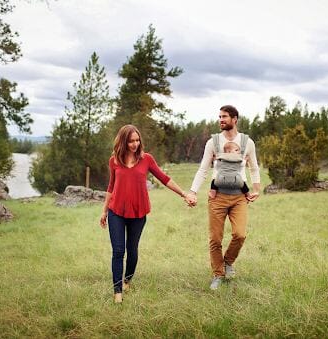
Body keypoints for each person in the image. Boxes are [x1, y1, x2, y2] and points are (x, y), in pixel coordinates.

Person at [100, 125, 190, 303]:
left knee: (132, 250)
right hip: (116, 211)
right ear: (123, 141)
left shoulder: (146, 159)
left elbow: (164, 179)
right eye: (131, 141)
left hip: (138, 213)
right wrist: (104, 211)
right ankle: (117, 292)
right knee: (118, 251)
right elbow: (111, 186)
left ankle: (127, 280)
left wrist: (184, 194)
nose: (134, 144)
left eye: (137, 140)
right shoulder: (114, 161)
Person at [185, 105, 261, 290]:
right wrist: (193, 191)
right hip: (217, 196)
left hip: (239, 198)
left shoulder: (247, 142)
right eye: (219, 116)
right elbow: (203, 169)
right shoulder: (213, 142)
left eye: (224, 116)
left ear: (235, 119)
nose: (221, 119)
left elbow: (254, 167)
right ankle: (218, 274)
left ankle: (227, 262)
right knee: (215, 239)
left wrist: (256, 189)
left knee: (240, 234)